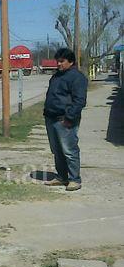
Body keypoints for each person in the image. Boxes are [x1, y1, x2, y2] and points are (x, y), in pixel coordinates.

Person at [43, 48, 87, 191]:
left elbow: (79, 101)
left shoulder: (77, 78)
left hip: (65, 120)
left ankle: (74, 179)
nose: (59, 64)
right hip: (51, 118)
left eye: (62, 61)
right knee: (57, 151)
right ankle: (62, 177)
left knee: (69, 150)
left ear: (71, 62)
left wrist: (69, 118)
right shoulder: (56, 77)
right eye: (58, 61)